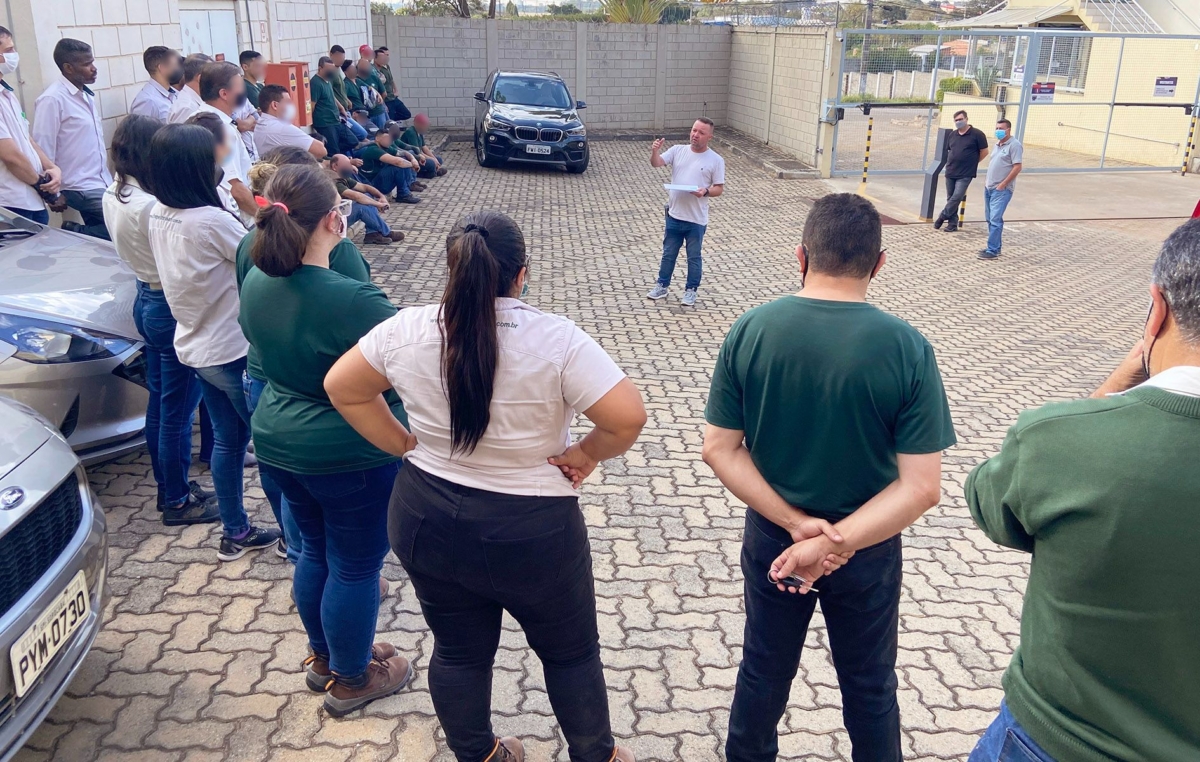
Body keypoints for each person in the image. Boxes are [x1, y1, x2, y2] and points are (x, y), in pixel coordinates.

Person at [325, 210, 646, 762]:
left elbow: (343, 387)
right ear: (521, 274)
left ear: (452, 268)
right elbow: (627, 417)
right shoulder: (557, 340)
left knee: (457, 651)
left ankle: (480, 754)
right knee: (570, 656)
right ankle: (597, 756)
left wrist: (406, 444)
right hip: (532, 531)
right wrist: (586, 454)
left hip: (425, 514)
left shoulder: (404, 328)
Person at [704, 193, 956, 762]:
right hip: (866, 551)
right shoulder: (908, 348)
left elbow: (719, 449)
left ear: (800, 256)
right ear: (879, 263)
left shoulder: (752, 330)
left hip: (775, 542)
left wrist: (799, 528)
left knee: (763, 673)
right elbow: (922, 487)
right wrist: (836, 541)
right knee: (870, 688)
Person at [966, 220, 1200, 762]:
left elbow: (988, 502)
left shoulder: (1060, 440)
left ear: (1157, 309)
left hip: (1054, 740)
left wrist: (1117, 381)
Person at [239, 163, 414, 716]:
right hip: (348, 451)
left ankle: (326, 656)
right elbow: (413, 363)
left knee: (312, 552)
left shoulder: (257, 277)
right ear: (335, 220)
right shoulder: (349, 297)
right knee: (357, 566)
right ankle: (353, 677)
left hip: (277, 438)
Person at [146, 123, 281, 561]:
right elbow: (261, 256)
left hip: (199, 346)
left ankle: (235, 531)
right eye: (214, 156)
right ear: (195, 168)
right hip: (233, 351)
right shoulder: (209, 221)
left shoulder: (159, 213)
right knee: (273, 447)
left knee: (228, 441)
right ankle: (296, 542)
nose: (221, 161)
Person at [103, 114, 218, 525]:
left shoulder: (114, 193)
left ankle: (176, 485)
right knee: (176, 410)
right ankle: (175, 498)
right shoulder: (153, 207)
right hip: (167, 304)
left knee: (164, 403)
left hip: (145, 296)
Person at [32, 38, 111, 239]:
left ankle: (83, 235)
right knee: (128, 225)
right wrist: (53, 194)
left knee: (107, 243)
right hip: (78, 187)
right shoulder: (52, 99)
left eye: (92, 62)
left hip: (101, 181)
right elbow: (42, 148)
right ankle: (73, 233)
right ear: (68, 67)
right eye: (86, 64)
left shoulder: (85, 95)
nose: (94, 69)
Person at [646, 118, 725, 308]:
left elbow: (719, 188)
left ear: (709, 137)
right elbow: (656, 163)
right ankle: (662, 285)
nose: (695, 135)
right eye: (694, 130)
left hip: (696, 220)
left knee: (694, 257)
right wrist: (655, 151)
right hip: (674, 215)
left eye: (701, 132)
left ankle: (691, 290)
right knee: (668, 253)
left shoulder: (716, 160)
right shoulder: (677, 150)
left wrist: (705, 191)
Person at [0, 26, 61, 225]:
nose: (14, 56)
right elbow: (10, 156)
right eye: (8, 51)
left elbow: (27, 139)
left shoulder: (7, 94)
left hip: (31, 201)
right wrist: (41, 185)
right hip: (12, 204)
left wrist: (52, 168)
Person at [196, 61, 257, 217]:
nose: (244, 92)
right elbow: (235, 189)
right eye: (241, 87)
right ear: (224, 94)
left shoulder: (196, 118)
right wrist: (265, 218)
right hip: (237, 216)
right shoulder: (221, 129)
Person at [328, 153, 404, 245]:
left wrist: (381, 196)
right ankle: (386, 232)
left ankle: (372, 234)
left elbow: (364, 187)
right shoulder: (332, 180)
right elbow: (355, 196)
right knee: (362, 208)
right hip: (333, 220)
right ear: (335, 166)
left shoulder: (341, 176)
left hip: (341, 212)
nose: (350, 167)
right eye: (346, 165)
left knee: (367, 196)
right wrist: (378, 204)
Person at [935, 109, 989, 233]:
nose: (958, 122)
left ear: (966, 119)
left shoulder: (977, 134)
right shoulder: (953, 135)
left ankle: (942, 216)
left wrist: (973, 163)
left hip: (966, 173)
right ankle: (952, 224)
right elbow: (950, 150)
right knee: (951, 198)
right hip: (951, 171)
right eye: (956, 120)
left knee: (957, 196)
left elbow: (984, 152)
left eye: (960, 119)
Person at [979, 118, 1022, 261]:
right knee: (990, 219)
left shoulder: (1014, 145)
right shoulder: (998, 145)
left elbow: (1017, 167)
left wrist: (1003, 184)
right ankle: (995, 247)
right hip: (989, 187)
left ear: (1008, 130)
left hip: (1002, 190)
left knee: (995, 219)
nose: (998, 131)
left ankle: (992, 250)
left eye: (1001, 129)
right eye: (997, 128)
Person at [254, 84, 326, 159]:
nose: (291, 106)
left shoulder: (260, 124)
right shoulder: (282, 128)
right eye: (287, 102)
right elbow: (321, 150)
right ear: (275, 105)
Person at [357, 130, 419, 204]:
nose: (389, 140)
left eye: (389, 138)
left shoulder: (385, 147)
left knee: (404, 160)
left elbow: (405, 153)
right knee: (398, 167)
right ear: (377, 139)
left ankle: (406, 189)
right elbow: (397, 162)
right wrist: (413, 165)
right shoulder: (373, 149)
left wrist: (413, 160)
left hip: (380, 179)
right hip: (372, 184)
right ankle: (403, 194)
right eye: (386, 138)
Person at [129, 46, 183, 121]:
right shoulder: (147, 101)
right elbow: (140, 131)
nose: (179, 69)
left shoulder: (173, 93)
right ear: (162, 68)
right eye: (175, 65)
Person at [329, 45, 369, 145]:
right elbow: (329, 92)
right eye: (339, 57)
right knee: (362, 134)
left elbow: (339, 90)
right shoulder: (330, 72)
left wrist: (347, 100)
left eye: (343, 58)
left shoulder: (338, 70)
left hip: (346, 110)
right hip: (339, 113)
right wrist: (341, 107)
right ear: (331, 55)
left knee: (363, 136)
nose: (341, 60)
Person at [167, 53, 212, 124]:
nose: (216, 80)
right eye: (212, 75)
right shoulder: (187, 108)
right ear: (200, 78)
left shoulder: (194, 101)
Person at [398, 113, 445, 178]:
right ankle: (426, 173)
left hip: (420, 156)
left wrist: (434, 158)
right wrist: (432, 160)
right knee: (431, 163)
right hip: (413, 157)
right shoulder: (411, 133)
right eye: (424, 125)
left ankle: (435, 170)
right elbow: (418, 152)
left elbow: (424, 147)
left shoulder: (419, 132)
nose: (426, 127)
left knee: (438, 159)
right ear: (417, 124)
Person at [372, 47, 410, 123]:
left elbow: (391, 80)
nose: (385, 58)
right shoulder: (373, 71)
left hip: (392, 96)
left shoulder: (386, 67)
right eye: (382, 56)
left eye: (386, 56)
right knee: (389, 122)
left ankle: (390, 120)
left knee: (406, 114)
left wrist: (396, 90)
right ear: (375, 58)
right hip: (386, 100)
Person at [355, 58, 388, 130]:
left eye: (368, 66)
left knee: (383, 132)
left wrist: (378, 102)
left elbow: (384, 93)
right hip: (365, 115)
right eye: (364, 66)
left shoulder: (374, 78)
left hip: (378, 112)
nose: (367, 68)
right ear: (359, 68)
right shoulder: (356, 80)